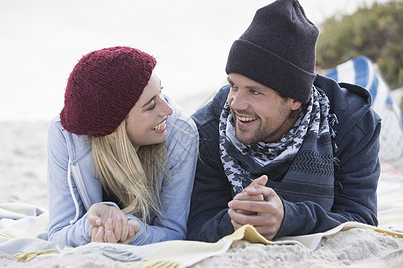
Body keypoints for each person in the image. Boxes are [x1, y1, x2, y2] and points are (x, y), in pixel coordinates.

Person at [187, 0, 381, 242]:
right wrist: (240, 218)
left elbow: (361, 219)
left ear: (295, 100)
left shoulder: (354, 124)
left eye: (254, 92)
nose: (235, 103)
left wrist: (288, 218)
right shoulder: (209, 128)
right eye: (233, 86)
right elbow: (197, 225)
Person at [48, 46, 198, 246]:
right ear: (115, 125)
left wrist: (134, 231)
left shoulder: (180, 132)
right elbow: (58, 234)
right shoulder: (65, 135)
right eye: (151, 105)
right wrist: (92, 226)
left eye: (161, 93)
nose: (168, 110)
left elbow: (174, 232)